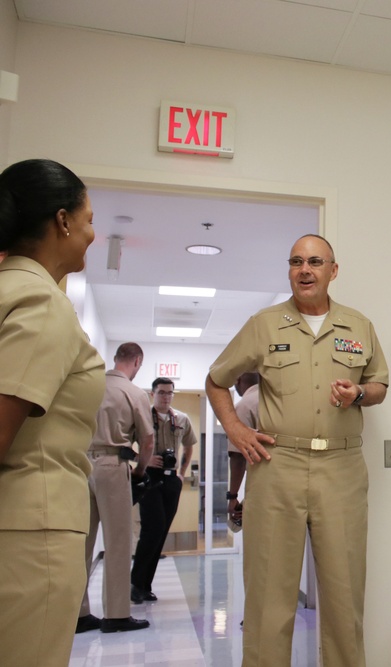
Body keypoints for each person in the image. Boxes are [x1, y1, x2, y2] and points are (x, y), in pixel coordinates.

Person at [206, 233, 389, 666]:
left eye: (315, 262)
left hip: (342, 467)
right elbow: (217, 379)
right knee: (269, 598)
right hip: (277, 466)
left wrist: (359, 392)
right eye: (296, 262)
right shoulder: (264, 324)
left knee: (344, 598)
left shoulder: (359, 326)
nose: (305, 270)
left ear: (333, 270)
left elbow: (380, 384)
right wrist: (234, 429)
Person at [0, 158, 106, 664]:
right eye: (88, 220)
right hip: (30, 533)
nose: (92, 233)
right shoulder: (43, 304)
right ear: (62, 221)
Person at [78, 342, 155, 633]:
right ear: (137, 361)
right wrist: (140, 471)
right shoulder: (134, 392)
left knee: (83, 543)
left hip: (82, 464)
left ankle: (79, 613)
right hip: (113, 466)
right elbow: (147, 441)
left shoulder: (91, 386)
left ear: (115, 359)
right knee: (118, 542)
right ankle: (116, 615)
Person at [130, 376, 197, 602]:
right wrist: (144, 460)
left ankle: (145, 585)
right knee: (152, 528)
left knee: (161, 532)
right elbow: (124, 447)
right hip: (149, 477)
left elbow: (189, 446)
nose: (166, 397)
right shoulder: (142, 417)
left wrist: (182, 472)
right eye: (161, 392)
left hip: (172, 480)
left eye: (170, 393)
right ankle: (135, 583)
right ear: (152, 394)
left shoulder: (182, 419)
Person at [226, 371, 260, 529]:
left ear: (237, 380)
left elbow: (238, 457)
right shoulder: (278, 401)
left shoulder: (245, 405)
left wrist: (232, 496)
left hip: (263, 483)